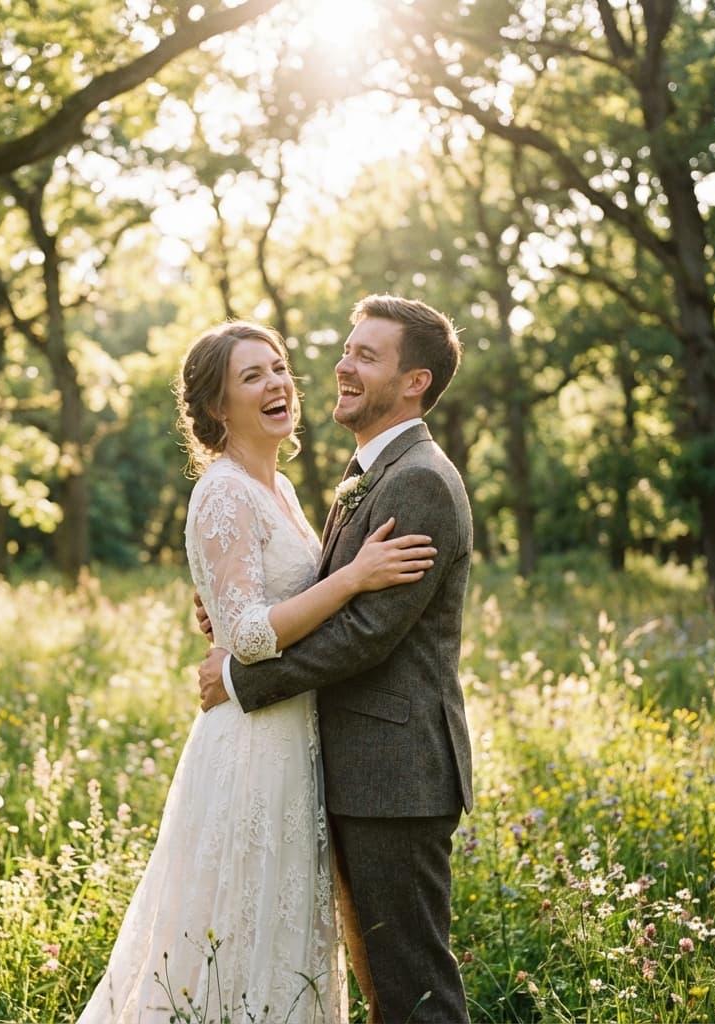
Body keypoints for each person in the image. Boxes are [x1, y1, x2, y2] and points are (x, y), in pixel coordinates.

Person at [77, 320, 438, 1023]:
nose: (277, 384)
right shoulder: (223, 492)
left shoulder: (284, 493)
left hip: (295, 739)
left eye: (278, 369)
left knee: (282, 937)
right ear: (218, 408)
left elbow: (254, 604)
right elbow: (245, 633)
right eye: (253, 376)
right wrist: (354, 579)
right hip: (249, 746)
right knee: (231, 932)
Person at [198, 294, 474, 1024]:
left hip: (396, 774)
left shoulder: (417, 479)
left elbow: (366, 633)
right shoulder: (369, 473)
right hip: (352, 767)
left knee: (414, 989)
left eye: (366, 356)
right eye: (347, 350)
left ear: (414, 381)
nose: (341, 367)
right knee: (381, 984)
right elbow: (318, 596)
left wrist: (239, 675)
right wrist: (230, 614)